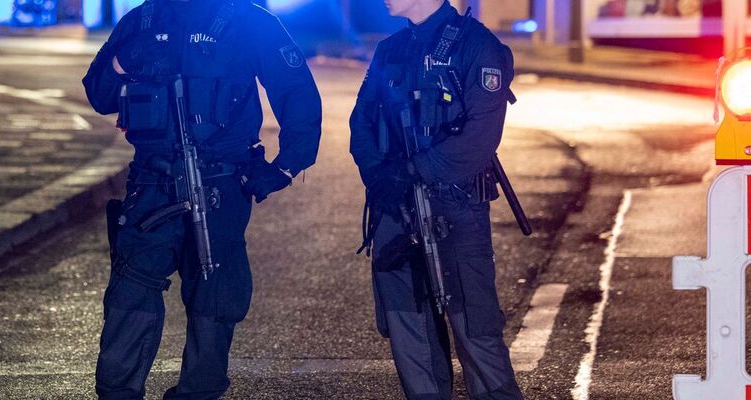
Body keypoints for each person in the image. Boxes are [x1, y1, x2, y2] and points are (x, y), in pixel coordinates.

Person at [82, 1, 322, 398]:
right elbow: (99, 93)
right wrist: (125, 59)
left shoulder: (247, 19)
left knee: (215, 293)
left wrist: (285, 166)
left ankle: (198, 392)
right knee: (130, 292)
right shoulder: (142, 19)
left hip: (219, 185)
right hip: (151, 184)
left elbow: (295, 91)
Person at [348, 0, 524, 398]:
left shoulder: (477, 47)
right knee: (409, 333)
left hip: (455, 208)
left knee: (476, 334)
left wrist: (414, 171)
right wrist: (381, 177)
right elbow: (361, 122)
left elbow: (479, 137)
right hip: (395, 209)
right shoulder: (390, 48)